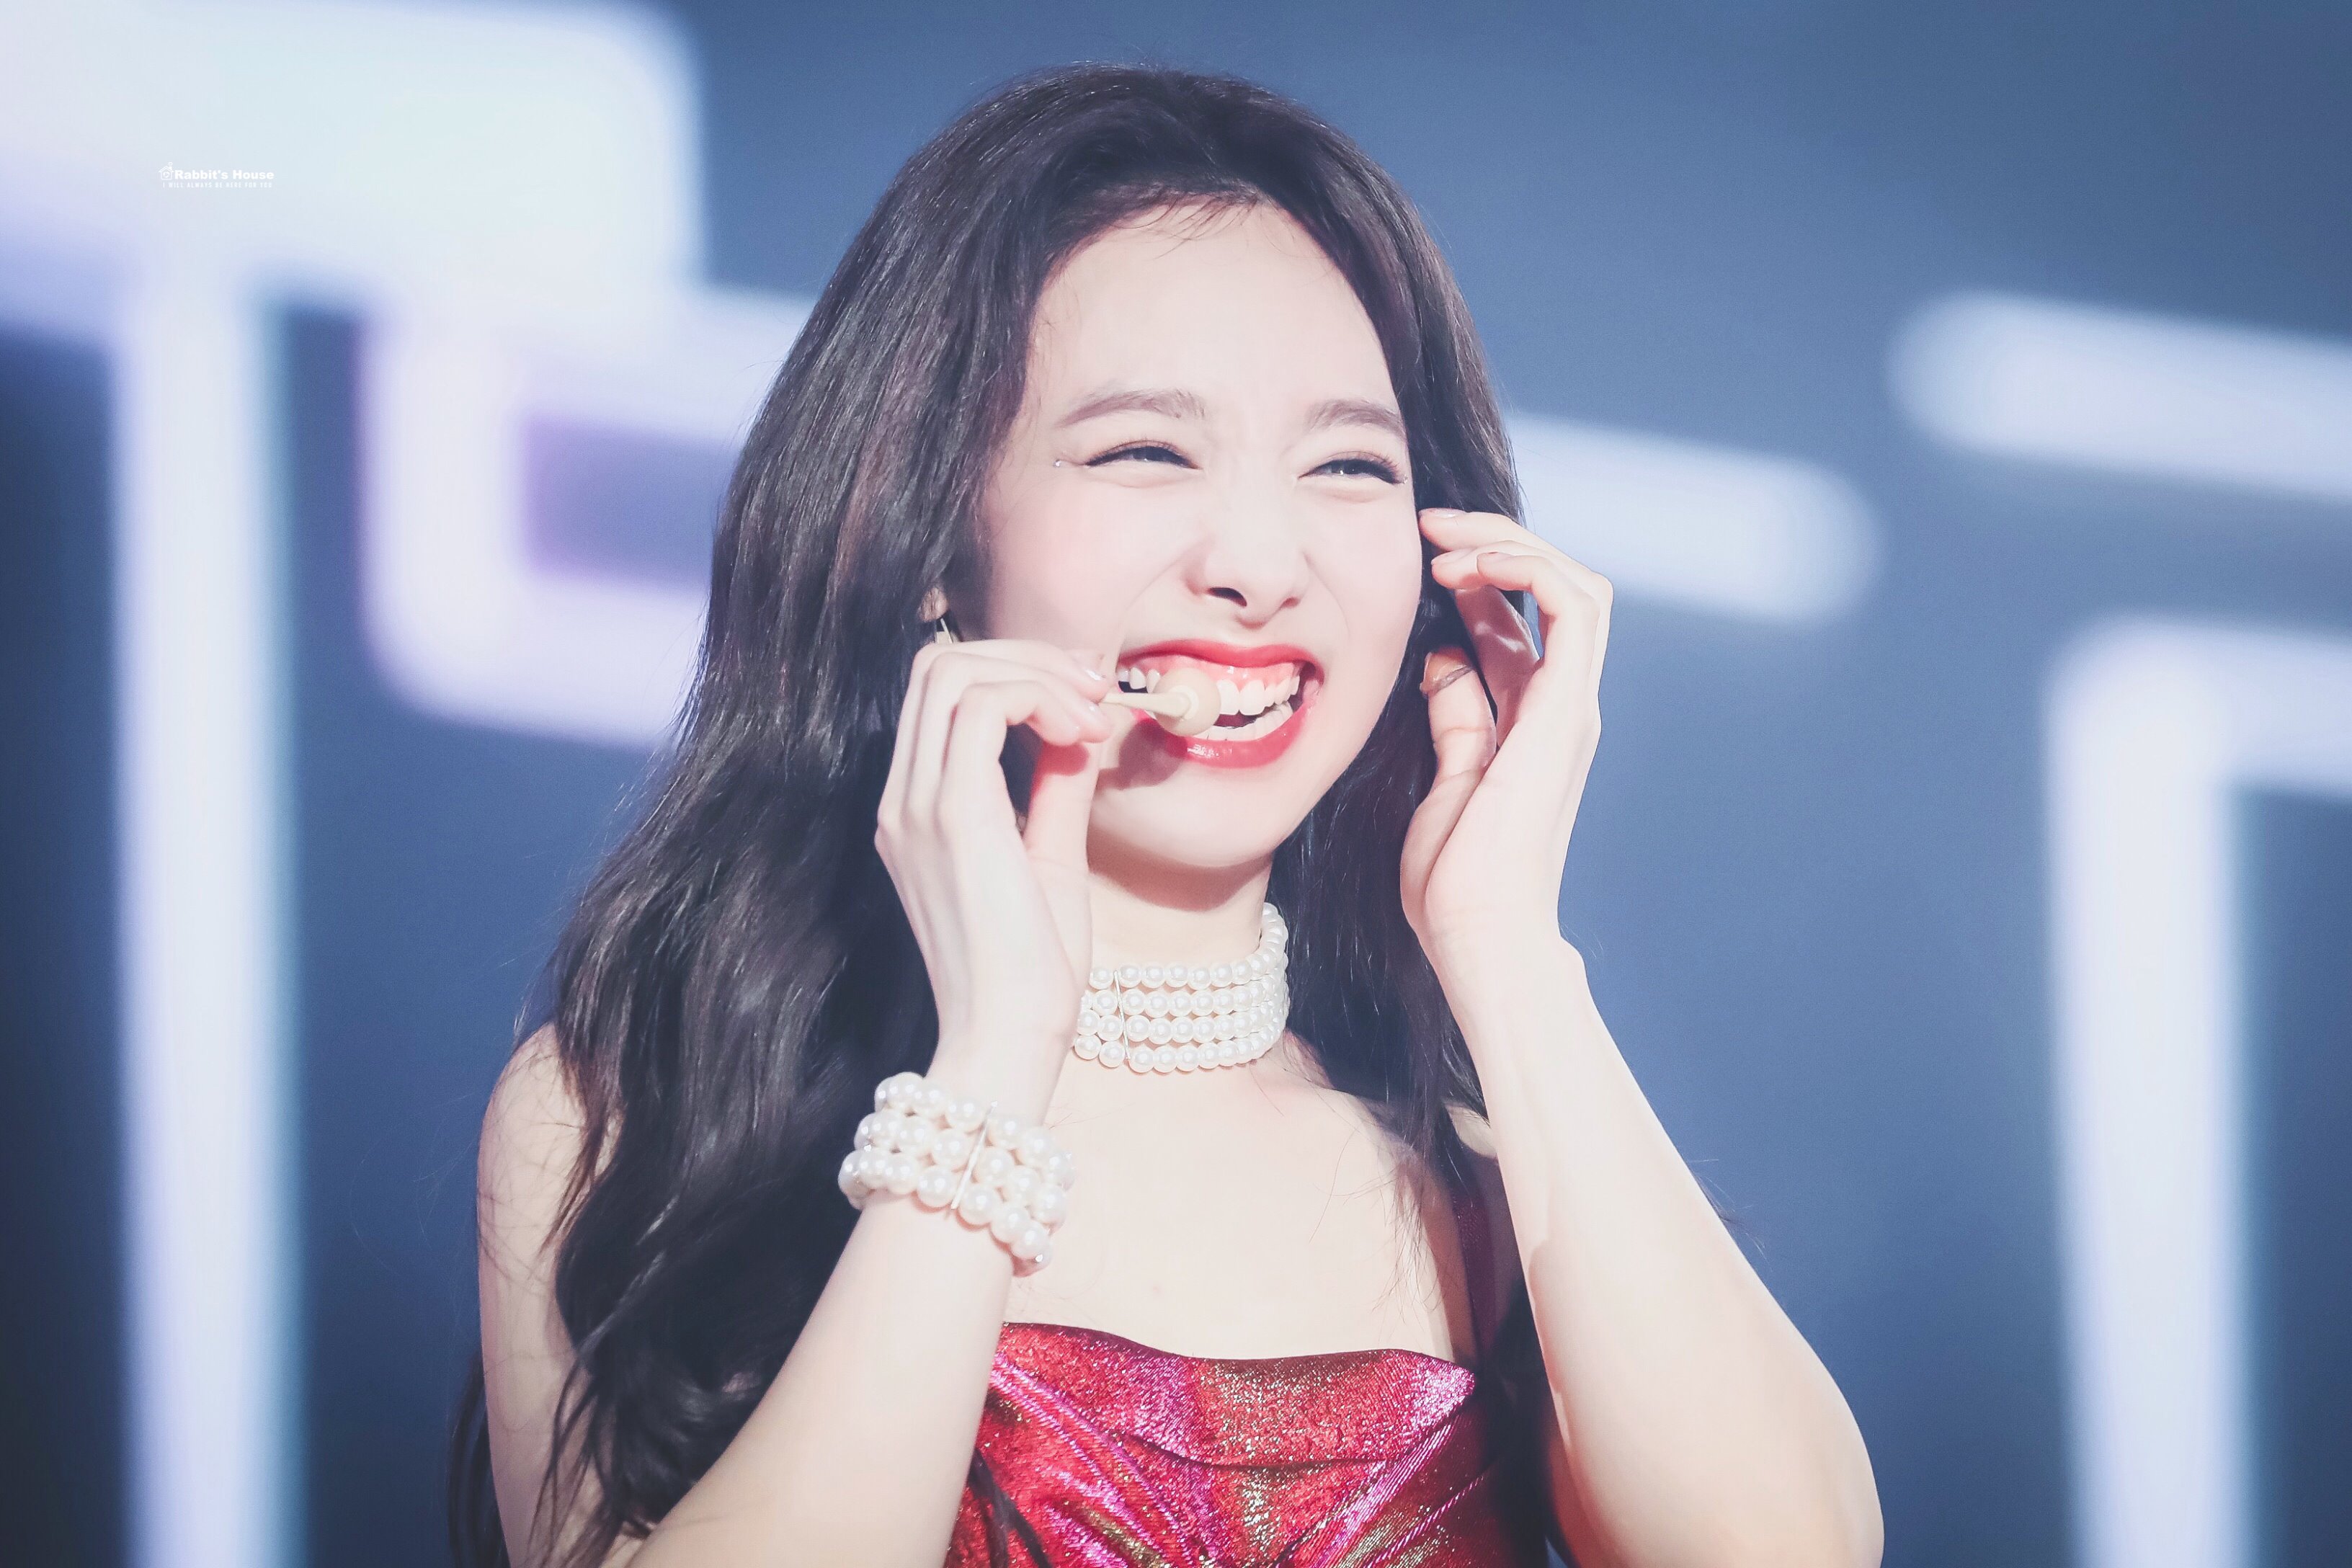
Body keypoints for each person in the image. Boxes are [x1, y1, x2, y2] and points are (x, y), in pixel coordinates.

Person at [450, 61, 1883, 1568]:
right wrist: (993, 1065)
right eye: (1146, 450)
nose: (1257, 564)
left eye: (1348, 465)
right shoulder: (634, 1124)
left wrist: (1509, 951)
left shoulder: (1481, 1190)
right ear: (930, 538)